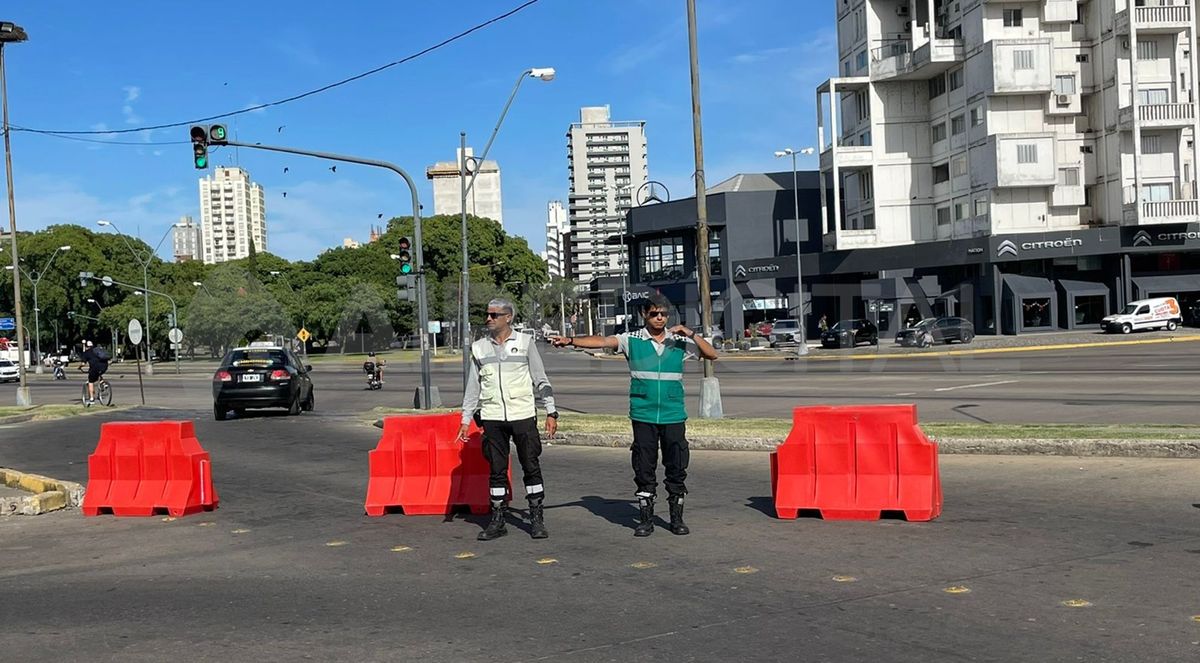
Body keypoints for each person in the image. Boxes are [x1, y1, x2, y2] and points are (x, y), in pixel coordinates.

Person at [550, 294, 719, 537]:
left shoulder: (678, 342)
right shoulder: (632, 339)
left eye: (663, 314)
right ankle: (646, 520)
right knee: (643, 467)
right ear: (644, 315)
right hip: (643, 414)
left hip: (673, 414)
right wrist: (570, 340)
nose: (659, 318)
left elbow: (712, 354)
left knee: (677, 466)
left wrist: (690, 333)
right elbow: (602, 341)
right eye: (653, 313)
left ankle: (676, 518)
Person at [459, 298, 559, 541]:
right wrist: (465, 418)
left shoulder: (525, 342)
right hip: (492, 416)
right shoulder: (479, 347)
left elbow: (540, 379)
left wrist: (551, 411)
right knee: (496, 470)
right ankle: (498, 520)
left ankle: (536, 518)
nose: (489, 319)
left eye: (494, 315)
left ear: (508, 317)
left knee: (530, 466)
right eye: (487, 314)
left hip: (522, 414)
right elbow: (473, 387)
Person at [80, 340, 110, 405]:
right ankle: (103, 383)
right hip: (104, 366)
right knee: (99, 373)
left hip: (94, 368)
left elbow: (83, 364)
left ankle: (91, 399)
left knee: (90, 381)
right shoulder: (97, 350)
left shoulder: (86, 353)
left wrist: (80, 367)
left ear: (86, 346)